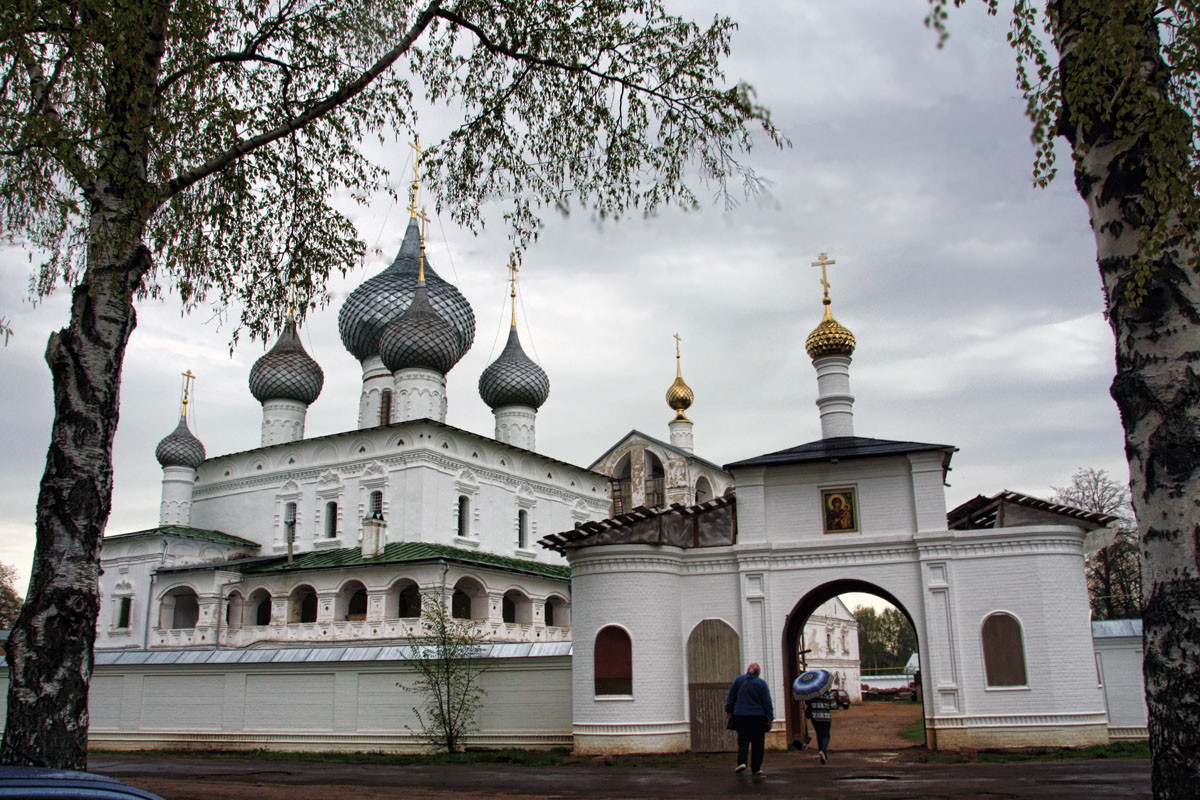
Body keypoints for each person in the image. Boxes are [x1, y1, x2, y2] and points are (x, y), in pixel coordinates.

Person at [725, 662, 774, 779]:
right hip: (757, 717)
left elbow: (731, 696)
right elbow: (767, 702)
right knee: (758, 743)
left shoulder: (739, 680)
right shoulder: (761, 683)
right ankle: (756, 768)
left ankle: (742, 762)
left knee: (743, 741)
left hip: (741, 716)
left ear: (748, 670)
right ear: (758, 672)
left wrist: (729, 711)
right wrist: (770, 717)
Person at [805, 687, 838, 764]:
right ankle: (823, 751)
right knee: (826, 736)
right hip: (825, 718)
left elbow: (808, 702)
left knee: (819, 735)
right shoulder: (828, 694)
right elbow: (834, 705)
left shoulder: (813, 694)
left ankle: (823, 756)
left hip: (815, 718)